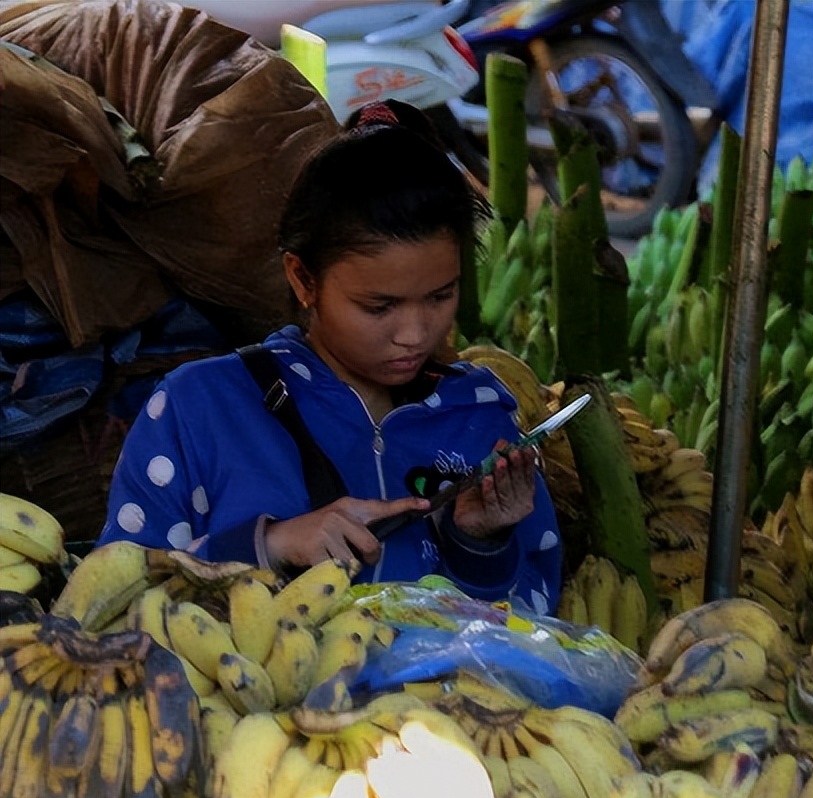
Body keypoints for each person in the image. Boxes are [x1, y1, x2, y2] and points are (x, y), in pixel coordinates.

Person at [98, 100, 563, 615]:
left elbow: (536, 627)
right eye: (378, 306)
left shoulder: (480, 420)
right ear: (302, 279)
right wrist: (269, 547)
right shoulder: (199, 408)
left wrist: (480, 545)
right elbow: (113, 598)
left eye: (440, 296)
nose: (414, 334)